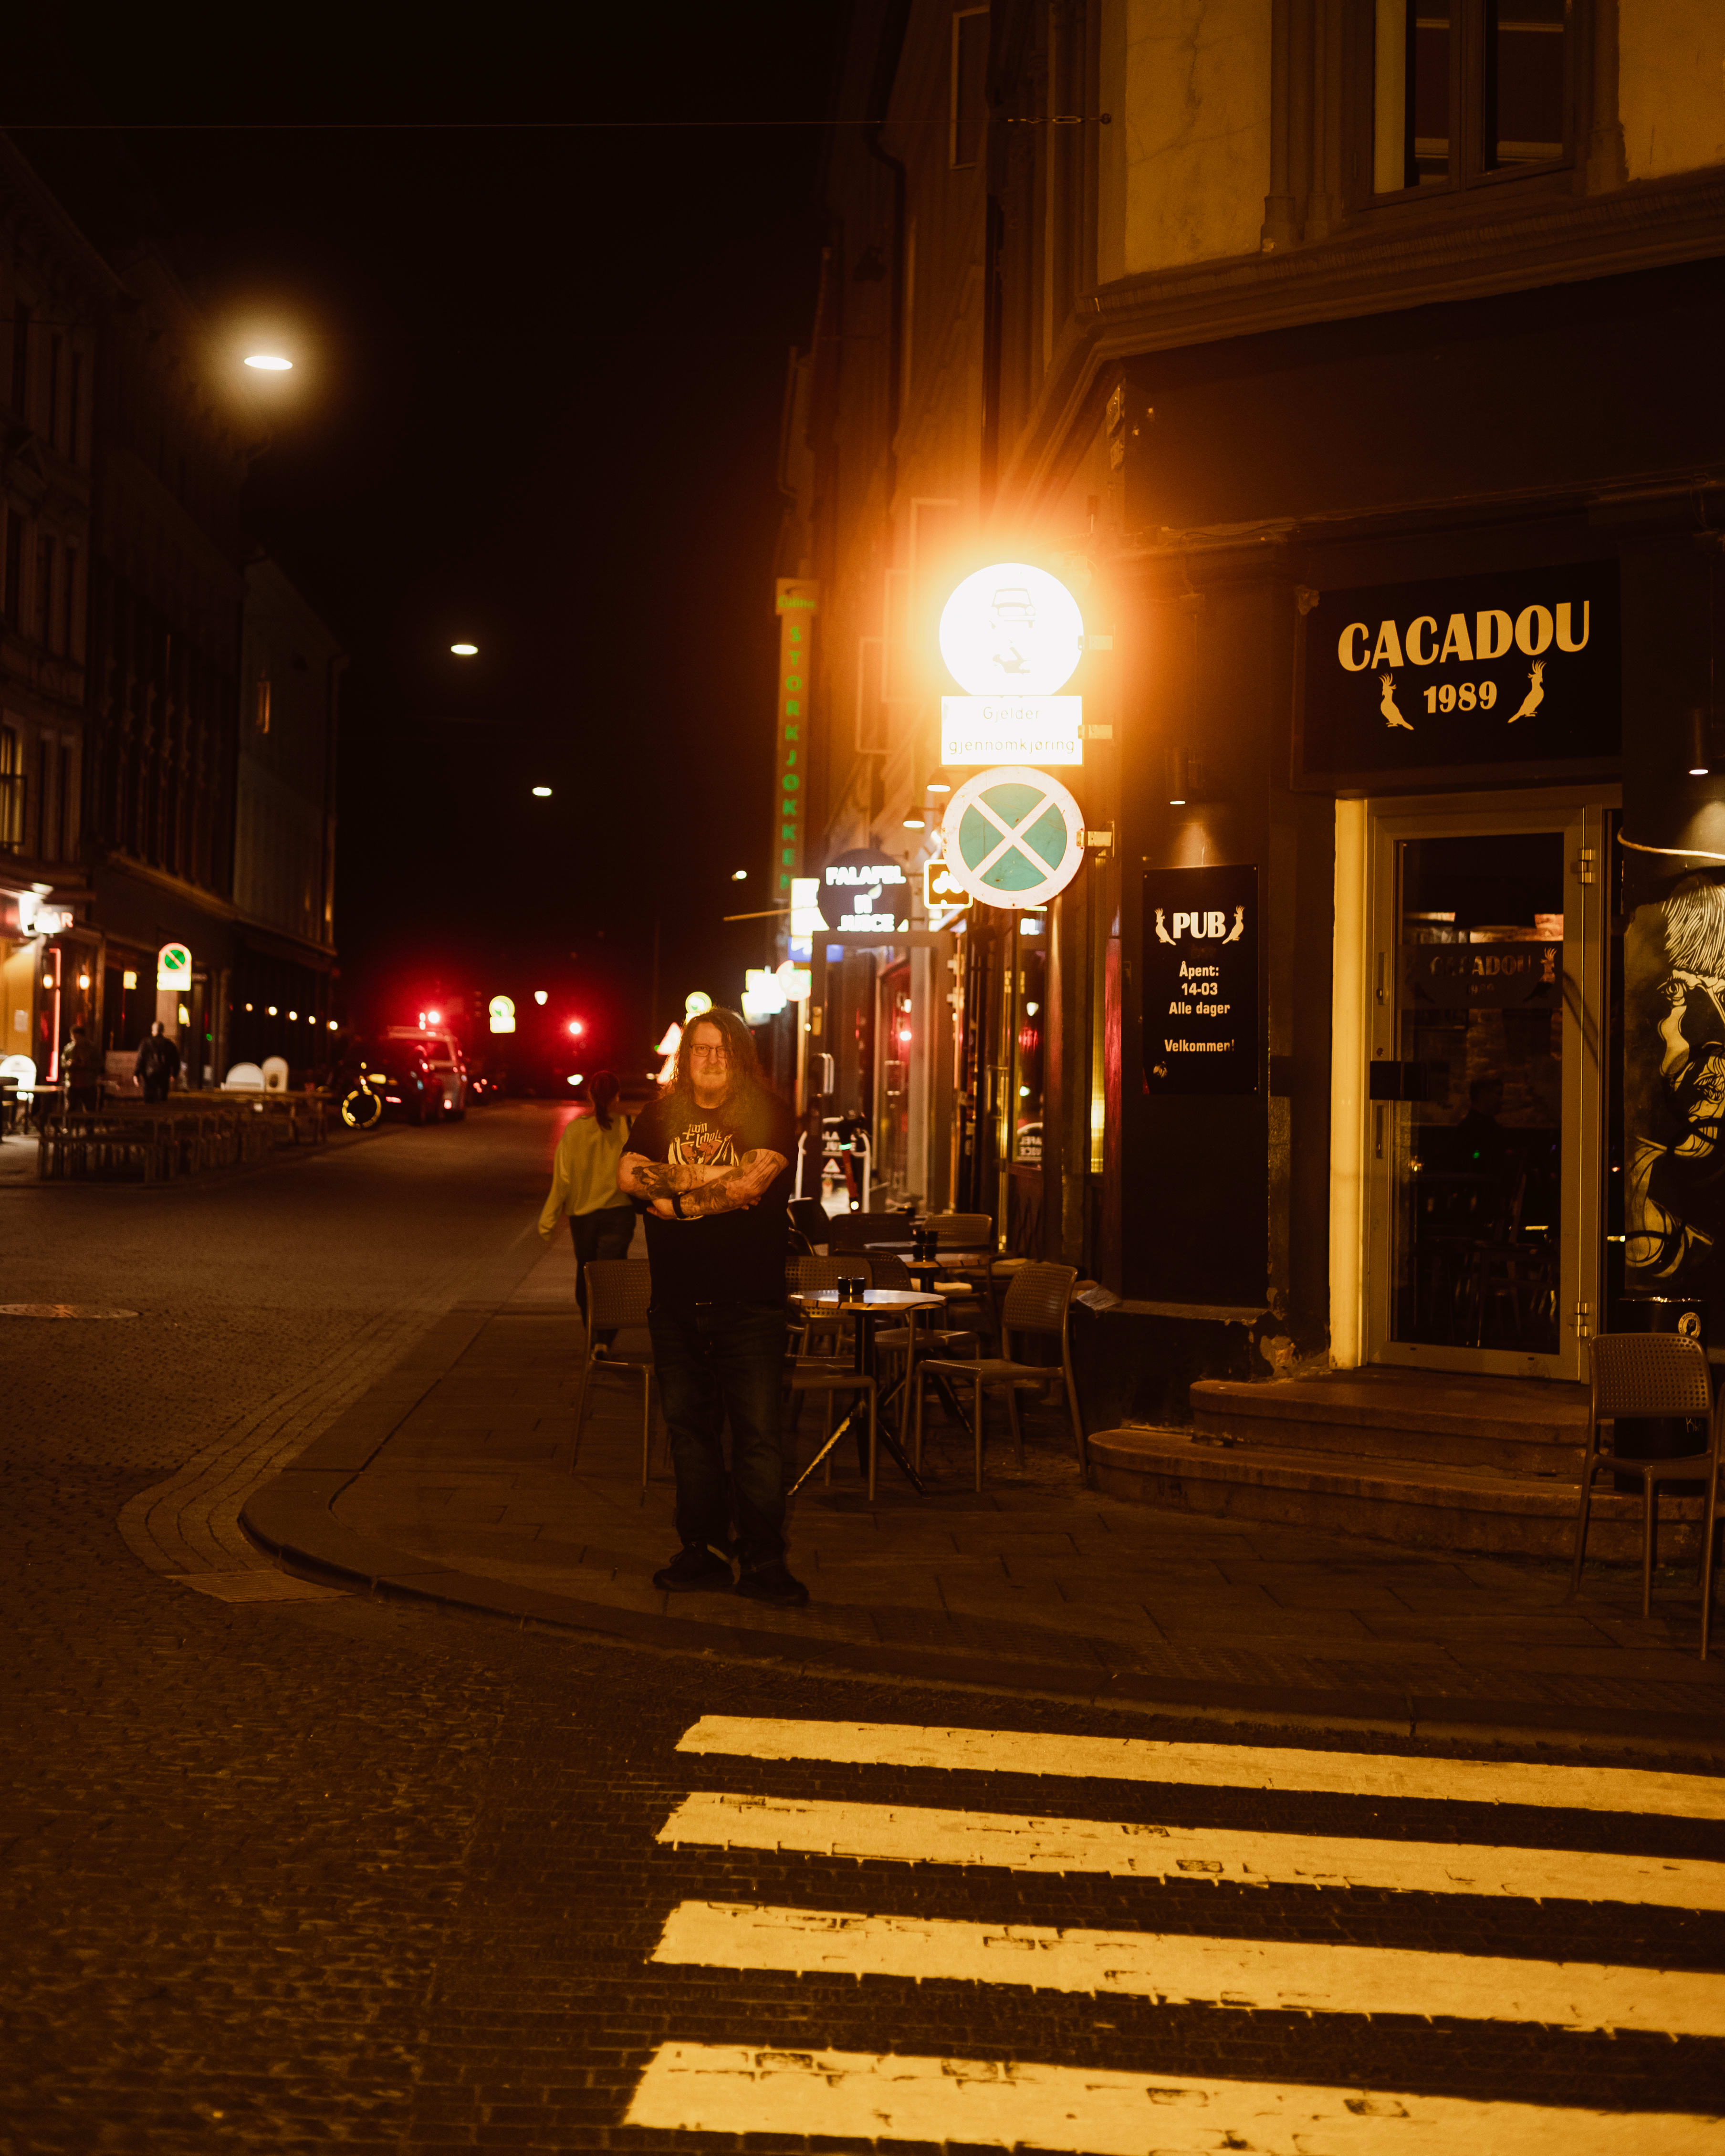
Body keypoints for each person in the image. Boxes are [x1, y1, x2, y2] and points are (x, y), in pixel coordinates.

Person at [617, 1004, 805, 1606]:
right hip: (674, 1303)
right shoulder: (660, 1112)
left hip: (749, 1304)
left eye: (723, 1049)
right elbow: (628, 1175)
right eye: (701, 1048)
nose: (712, 1059)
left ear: (741, 1056)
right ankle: (703, 1550)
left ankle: (764, 1560)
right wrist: (715, 1184)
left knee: (757, 1438)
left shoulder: (769, 1112)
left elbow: (753, 1184)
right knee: (690, 1434)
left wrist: (678, 1203)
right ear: (686, 1056)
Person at [538, 1071, 637, 1323]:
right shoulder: (628, 1126)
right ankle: (605, 1338)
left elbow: (562, 1179)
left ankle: (592, 1335)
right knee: (612, 1276)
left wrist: (548, 1221)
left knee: (587, 1273)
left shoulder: (575, 1131)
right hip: (620, 1214)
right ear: (617, 1095)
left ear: (590, 1095)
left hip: (582, 1218)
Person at [134, 1021, 181, 1105]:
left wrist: (136, 1074)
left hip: (149, 1076)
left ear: (153, 1030)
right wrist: (174, 1074)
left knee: (149, 1101)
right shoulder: (169, 1044)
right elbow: (176, 1061)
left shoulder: (145, 1043)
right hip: (164, 1075)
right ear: (163, 1031)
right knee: (162, 1101)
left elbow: (140, 1060)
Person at [62, 1022, 104, 1113]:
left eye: (77, 1037)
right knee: (70, 1109)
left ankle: (89, 1127)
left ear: (83, 1037)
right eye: (73, 1037)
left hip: (88, 1083)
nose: (75, 1040)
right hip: (72, 1083)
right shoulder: (69, 1049)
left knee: (90, 1109)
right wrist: (69, 1064)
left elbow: (99, 1063)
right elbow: (63, 1063)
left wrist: (87, 1065)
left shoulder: (92, 1049)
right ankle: (69, 1126)